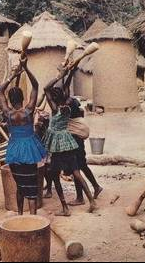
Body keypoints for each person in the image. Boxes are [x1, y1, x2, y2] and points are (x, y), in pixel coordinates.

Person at [43, 67, 96, 216]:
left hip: (58, 145)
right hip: (68, 141)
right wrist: (68, 73)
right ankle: (91, 200)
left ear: (52, 99)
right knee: (76, 172)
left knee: (54, 175)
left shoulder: (54, 109)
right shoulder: (67, 104)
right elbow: (65, 87)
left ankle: (65, 208)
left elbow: (46, 88)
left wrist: (59, 75)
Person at [0, 57, 46, 215]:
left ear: (10, 100)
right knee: (32, 187)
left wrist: (13, 75)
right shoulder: (28, 110)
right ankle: (32, 219)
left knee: (20, 186)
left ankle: (20, 215)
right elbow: (36, 85)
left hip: (14, 150)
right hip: (30, 149)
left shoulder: (8, 113)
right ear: (22, 98)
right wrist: (26, 68)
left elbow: (0, 91)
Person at [63, 69, 103, 206]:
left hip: (74, 140)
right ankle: (96, 187)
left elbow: (65, 88)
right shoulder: (75, 106)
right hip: (79, 140)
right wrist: (69, 72)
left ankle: (80, 198)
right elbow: (66, 87)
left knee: (76, 169)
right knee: (82, 165)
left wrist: (65, 74)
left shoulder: (66, 108)